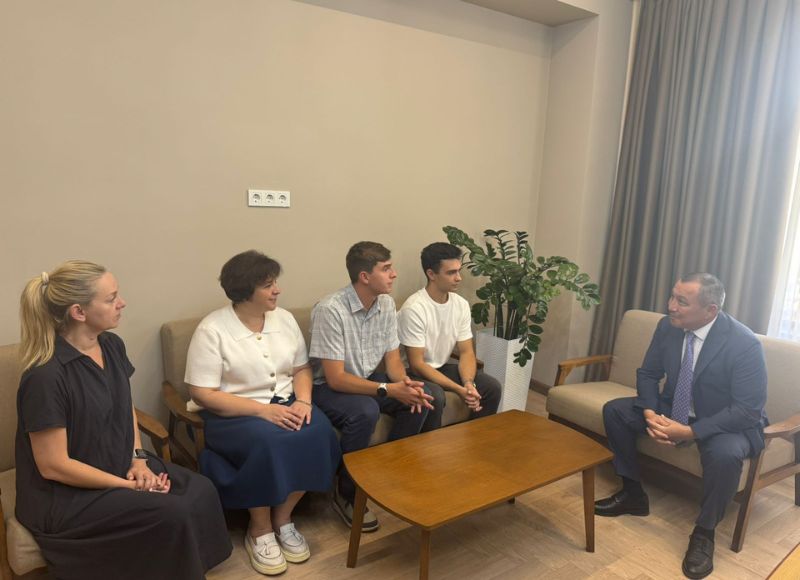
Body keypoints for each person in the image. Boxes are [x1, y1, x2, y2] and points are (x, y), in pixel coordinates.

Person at [15, 260, 232, 580]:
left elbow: (124, 404)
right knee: (171, 512)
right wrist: (128, 486)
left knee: (200, 490)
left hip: (118, 461)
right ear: (79, 312)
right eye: (111, 298)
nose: (122, 303)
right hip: (64, 494)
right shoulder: (45, 376)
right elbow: (53, 466)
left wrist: (139, 460)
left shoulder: (111, 345)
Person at [595, 273, 767, 580]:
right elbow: (648, 373)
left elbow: (747, 410)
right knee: (616, 411)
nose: (671, 306)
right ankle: (633, 493)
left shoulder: (744, 343)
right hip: (673, 407)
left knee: (726, 455)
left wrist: (690, 432)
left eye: (682, 302)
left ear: (710, 310)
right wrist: (649, 411)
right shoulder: (667, 326)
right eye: (672, 296)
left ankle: (704, 533)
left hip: (725, 421)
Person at [185, 250, 340, 576]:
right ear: (245, 291)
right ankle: (260, 528)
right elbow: (202, 393)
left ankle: (283, 518)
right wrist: (262, 411)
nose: (277, 290)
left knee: (319, 432)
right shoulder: (212, 329)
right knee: (269, 442)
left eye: (275, 283)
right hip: (233, 414)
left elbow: (301, 369)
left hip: (287, 403)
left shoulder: (284, 319)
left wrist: (304, 402)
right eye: (268, 285)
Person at [310, 241, 443, 531]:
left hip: (366, 379)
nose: (394, 274)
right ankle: (346, 493)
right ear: (364, 277)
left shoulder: (385, 304)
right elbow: (335, 378)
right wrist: (387, 390)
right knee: (365, 411)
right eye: (386, 269)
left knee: (425, 395)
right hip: (327, 388)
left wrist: (405, 383)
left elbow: (393, 362)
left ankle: (391, 474)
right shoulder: (330, 310)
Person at [398, 242, 501, 419]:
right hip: (413, 373)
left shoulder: (460, 304)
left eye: (459, 271)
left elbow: (466, 352)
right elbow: (417, 364)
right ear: (431, 274)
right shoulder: (414, 308)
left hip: (441, 367)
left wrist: (468, 383)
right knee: (436, 397)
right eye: (451, 272)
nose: (459, 278)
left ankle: (476, 435)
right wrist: (458, 389)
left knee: (491, 387)